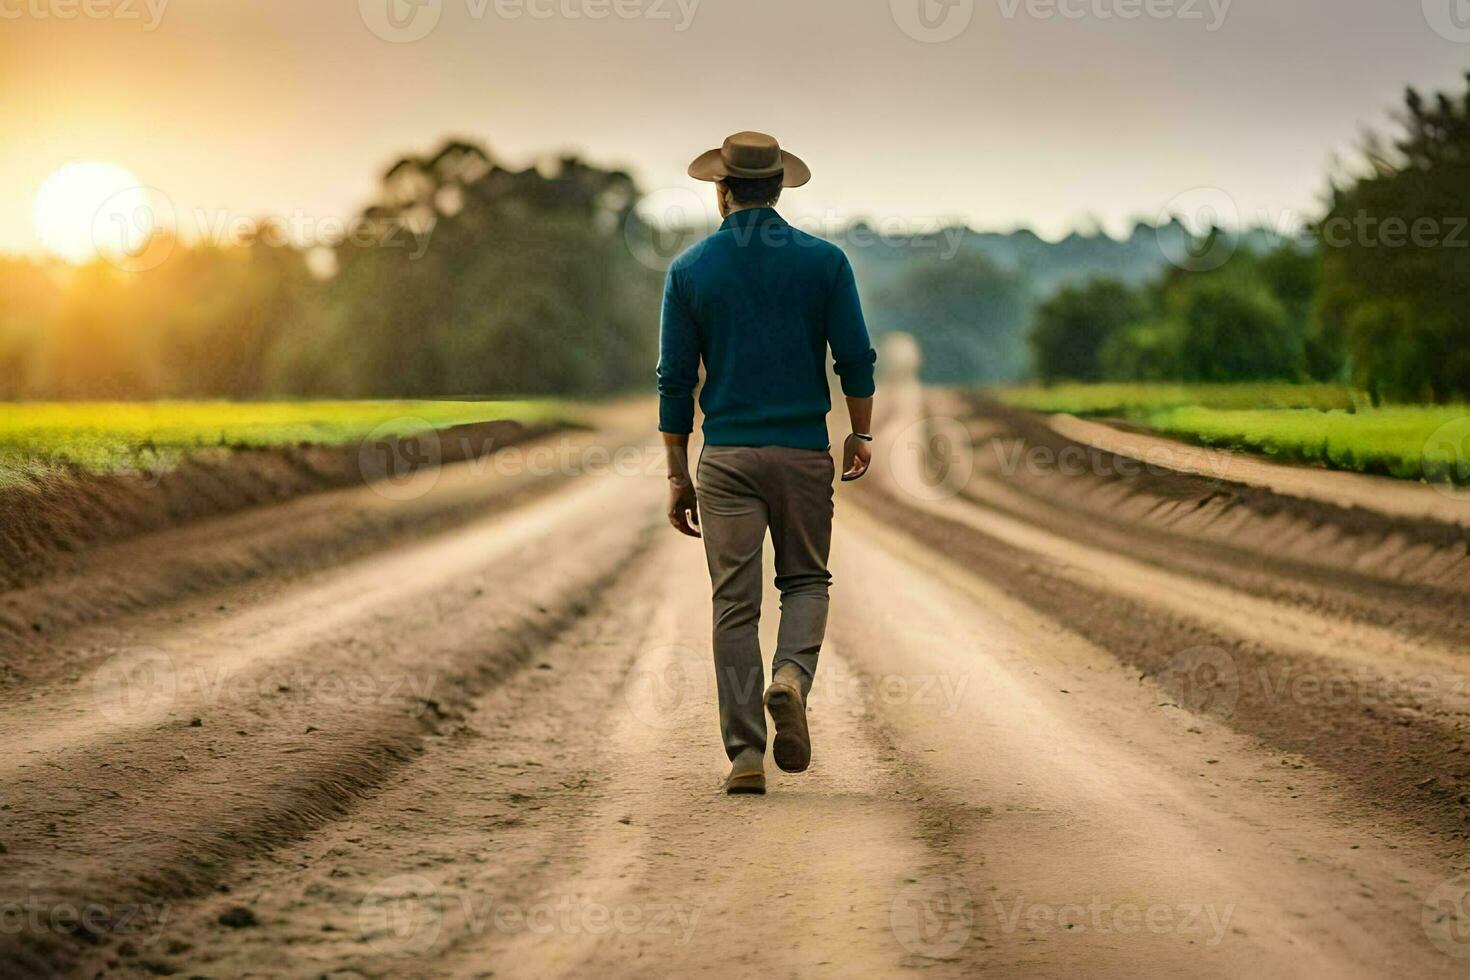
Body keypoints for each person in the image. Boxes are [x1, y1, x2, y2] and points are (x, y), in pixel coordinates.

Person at [656, 131, 878, 795]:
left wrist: (677, 471)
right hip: (804, 450)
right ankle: (791, 679)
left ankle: (746, 756)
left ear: (721, 191)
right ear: (779, 187)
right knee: (806, 580)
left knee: (733, 604)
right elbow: (856, 358)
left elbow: (674, 379)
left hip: (725, 457)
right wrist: (860, 434)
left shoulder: (690, 270)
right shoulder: (825, 263)